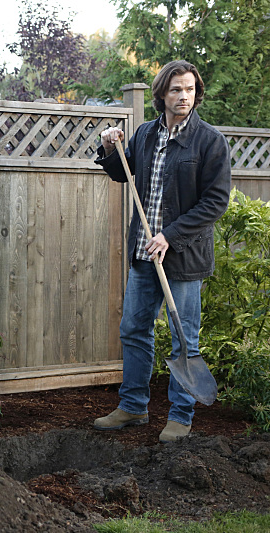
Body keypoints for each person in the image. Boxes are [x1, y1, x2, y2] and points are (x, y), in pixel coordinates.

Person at [93, 60, 231, 443]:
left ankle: (181, 415)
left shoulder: (209, 141)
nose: (183, 96)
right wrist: (109, 147)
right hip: (144, 254)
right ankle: (133, 406)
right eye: (175, 90)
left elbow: (215, 202)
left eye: (189, 89)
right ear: (162, 95)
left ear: (196, 93)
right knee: (134, 330)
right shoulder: (146, 135)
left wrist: (170, 235)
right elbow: (124, 172)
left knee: (183, 339)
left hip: (183, 258)